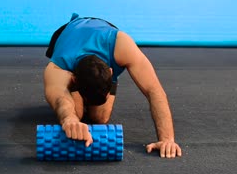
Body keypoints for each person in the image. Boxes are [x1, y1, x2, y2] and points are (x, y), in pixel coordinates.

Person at [43, 13, 181, 159]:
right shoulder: (59, 66)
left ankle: (89, 97)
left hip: (104, 33)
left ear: (110, 71)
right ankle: (78, 101)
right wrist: (69, 119)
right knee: (77, 113)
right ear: (73, 79)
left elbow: (154, 90)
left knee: (100, 118)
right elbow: (59, 97)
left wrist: (167, 139)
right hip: (69, 35)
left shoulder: (121, 46)